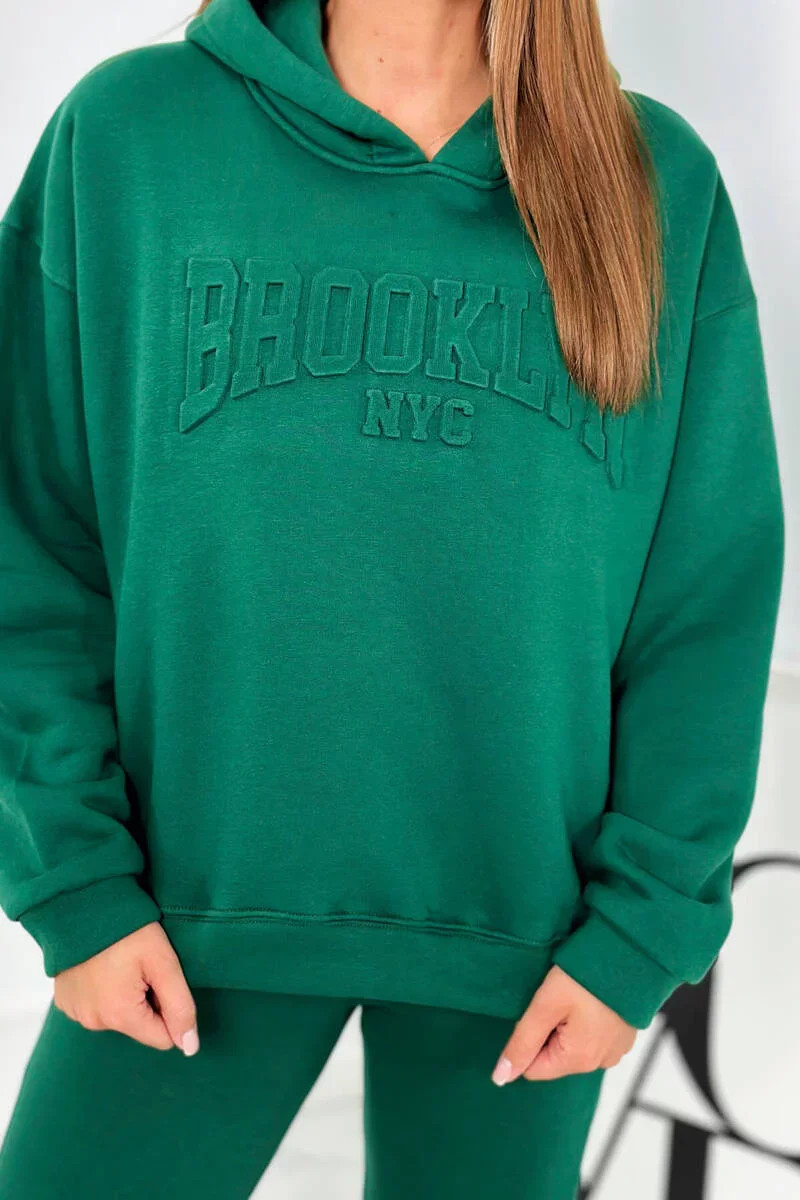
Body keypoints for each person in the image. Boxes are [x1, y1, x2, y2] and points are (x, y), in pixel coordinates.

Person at [0, 0, 785, 1195]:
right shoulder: (131, 137)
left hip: (532, 958)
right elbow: (29, 536)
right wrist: (77, 882)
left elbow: (702, 604)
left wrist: (637, 933)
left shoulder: (650, 182)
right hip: (173, 917)